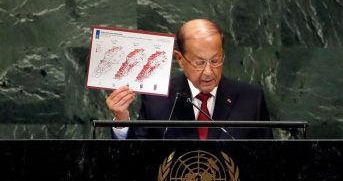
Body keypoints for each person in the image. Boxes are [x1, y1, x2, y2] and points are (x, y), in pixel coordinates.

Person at [106, 18, 273, 139]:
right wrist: (121, 121)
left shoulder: (250, 98)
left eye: (215, 61)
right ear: (180, 59)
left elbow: (269, 158)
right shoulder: (156, 99)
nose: (209, 71)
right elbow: (136, 157)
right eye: (199, 63)